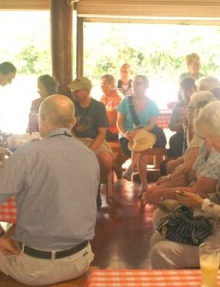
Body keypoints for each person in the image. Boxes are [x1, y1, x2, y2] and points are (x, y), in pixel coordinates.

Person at [0, 95, 98, 286]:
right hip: (79, 260)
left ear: (41, 120)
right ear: (73, 122)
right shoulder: (89, 155)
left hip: (36, 267)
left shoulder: (30, 153)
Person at [150, 101, 220, 268]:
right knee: (157, 238)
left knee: (161, 251)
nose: (208, 143)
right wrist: (196, 202)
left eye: (209, 136)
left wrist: (203, 204)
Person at [68, 76, 113, 206]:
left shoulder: (98, 107)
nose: (73, 93)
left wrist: (88, 151)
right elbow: (67, 127)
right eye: (73, 90)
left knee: (106, 160)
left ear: (86, 91)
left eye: (76, 90)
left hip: (95, 140)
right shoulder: (71, 105)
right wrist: (76, 142)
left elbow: (102, 133)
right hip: (75, 139)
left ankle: (96, 186)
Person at [117, 75, 162, 195]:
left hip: (145, 134)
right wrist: (125, 134)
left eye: (139, 83)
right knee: (142, 153)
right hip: (128, 136)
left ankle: (131, 169)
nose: (135, 86)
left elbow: (152, 124)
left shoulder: (152, 104)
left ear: (146, 86)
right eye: (134, 83)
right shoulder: (126, 102)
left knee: (141, 141)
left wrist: (139, 132)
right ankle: (144, 184)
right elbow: (119, 122)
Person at [168, 77, 196, 158]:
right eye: (183, 90)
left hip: (196, 135)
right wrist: (183, 122)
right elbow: (171, 126)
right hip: (181, 135)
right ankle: (175, 166)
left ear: (194, 90)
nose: (186, 93)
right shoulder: (178, 105)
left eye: (188, 90)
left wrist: (187, 116)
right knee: (174, 140)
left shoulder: (198, 104)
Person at [100, 73, 122, 141]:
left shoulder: (118, 99)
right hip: (104, 129)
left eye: (104, 84)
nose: (102, 87)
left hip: (113, 132)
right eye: (101, 85)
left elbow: (112, 121)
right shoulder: (103, 97)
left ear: (113, 85)